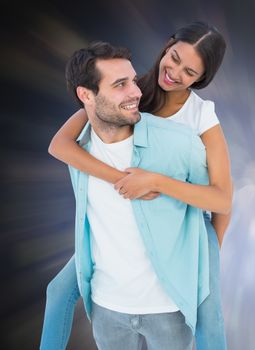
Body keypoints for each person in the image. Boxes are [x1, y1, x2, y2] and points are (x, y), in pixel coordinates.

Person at [40, 22, 231, 350]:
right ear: (168, 45)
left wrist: (210, 249)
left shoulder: (201, 117)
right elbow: (60, 145)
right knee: (58, 291)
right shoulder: (130, 92)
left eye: (189, 72)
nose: (173, 72)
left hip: (190, 228)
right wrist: (121, 180)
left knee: (208, 314)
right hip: (129, 227)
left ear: (200, 79)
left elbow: (222, 198)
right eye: (173, 58)